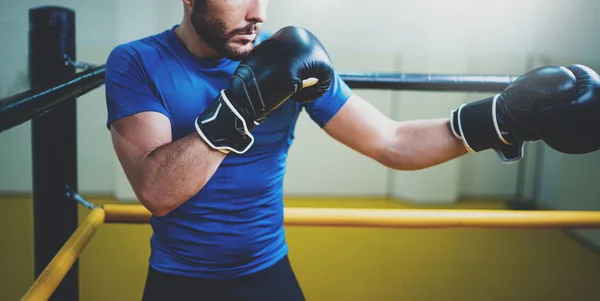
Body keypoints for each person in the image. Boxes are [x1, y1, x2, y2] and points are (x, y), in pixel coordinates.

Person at [104, 0, 600, 300]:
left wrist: (500, 119)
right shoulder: (136, 62)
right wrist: (241, 108)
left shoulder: (286, 58)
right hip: (179, 281)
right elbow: (159, 191)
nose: (258, 12)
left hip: (267, 272)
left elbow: (393, 142)